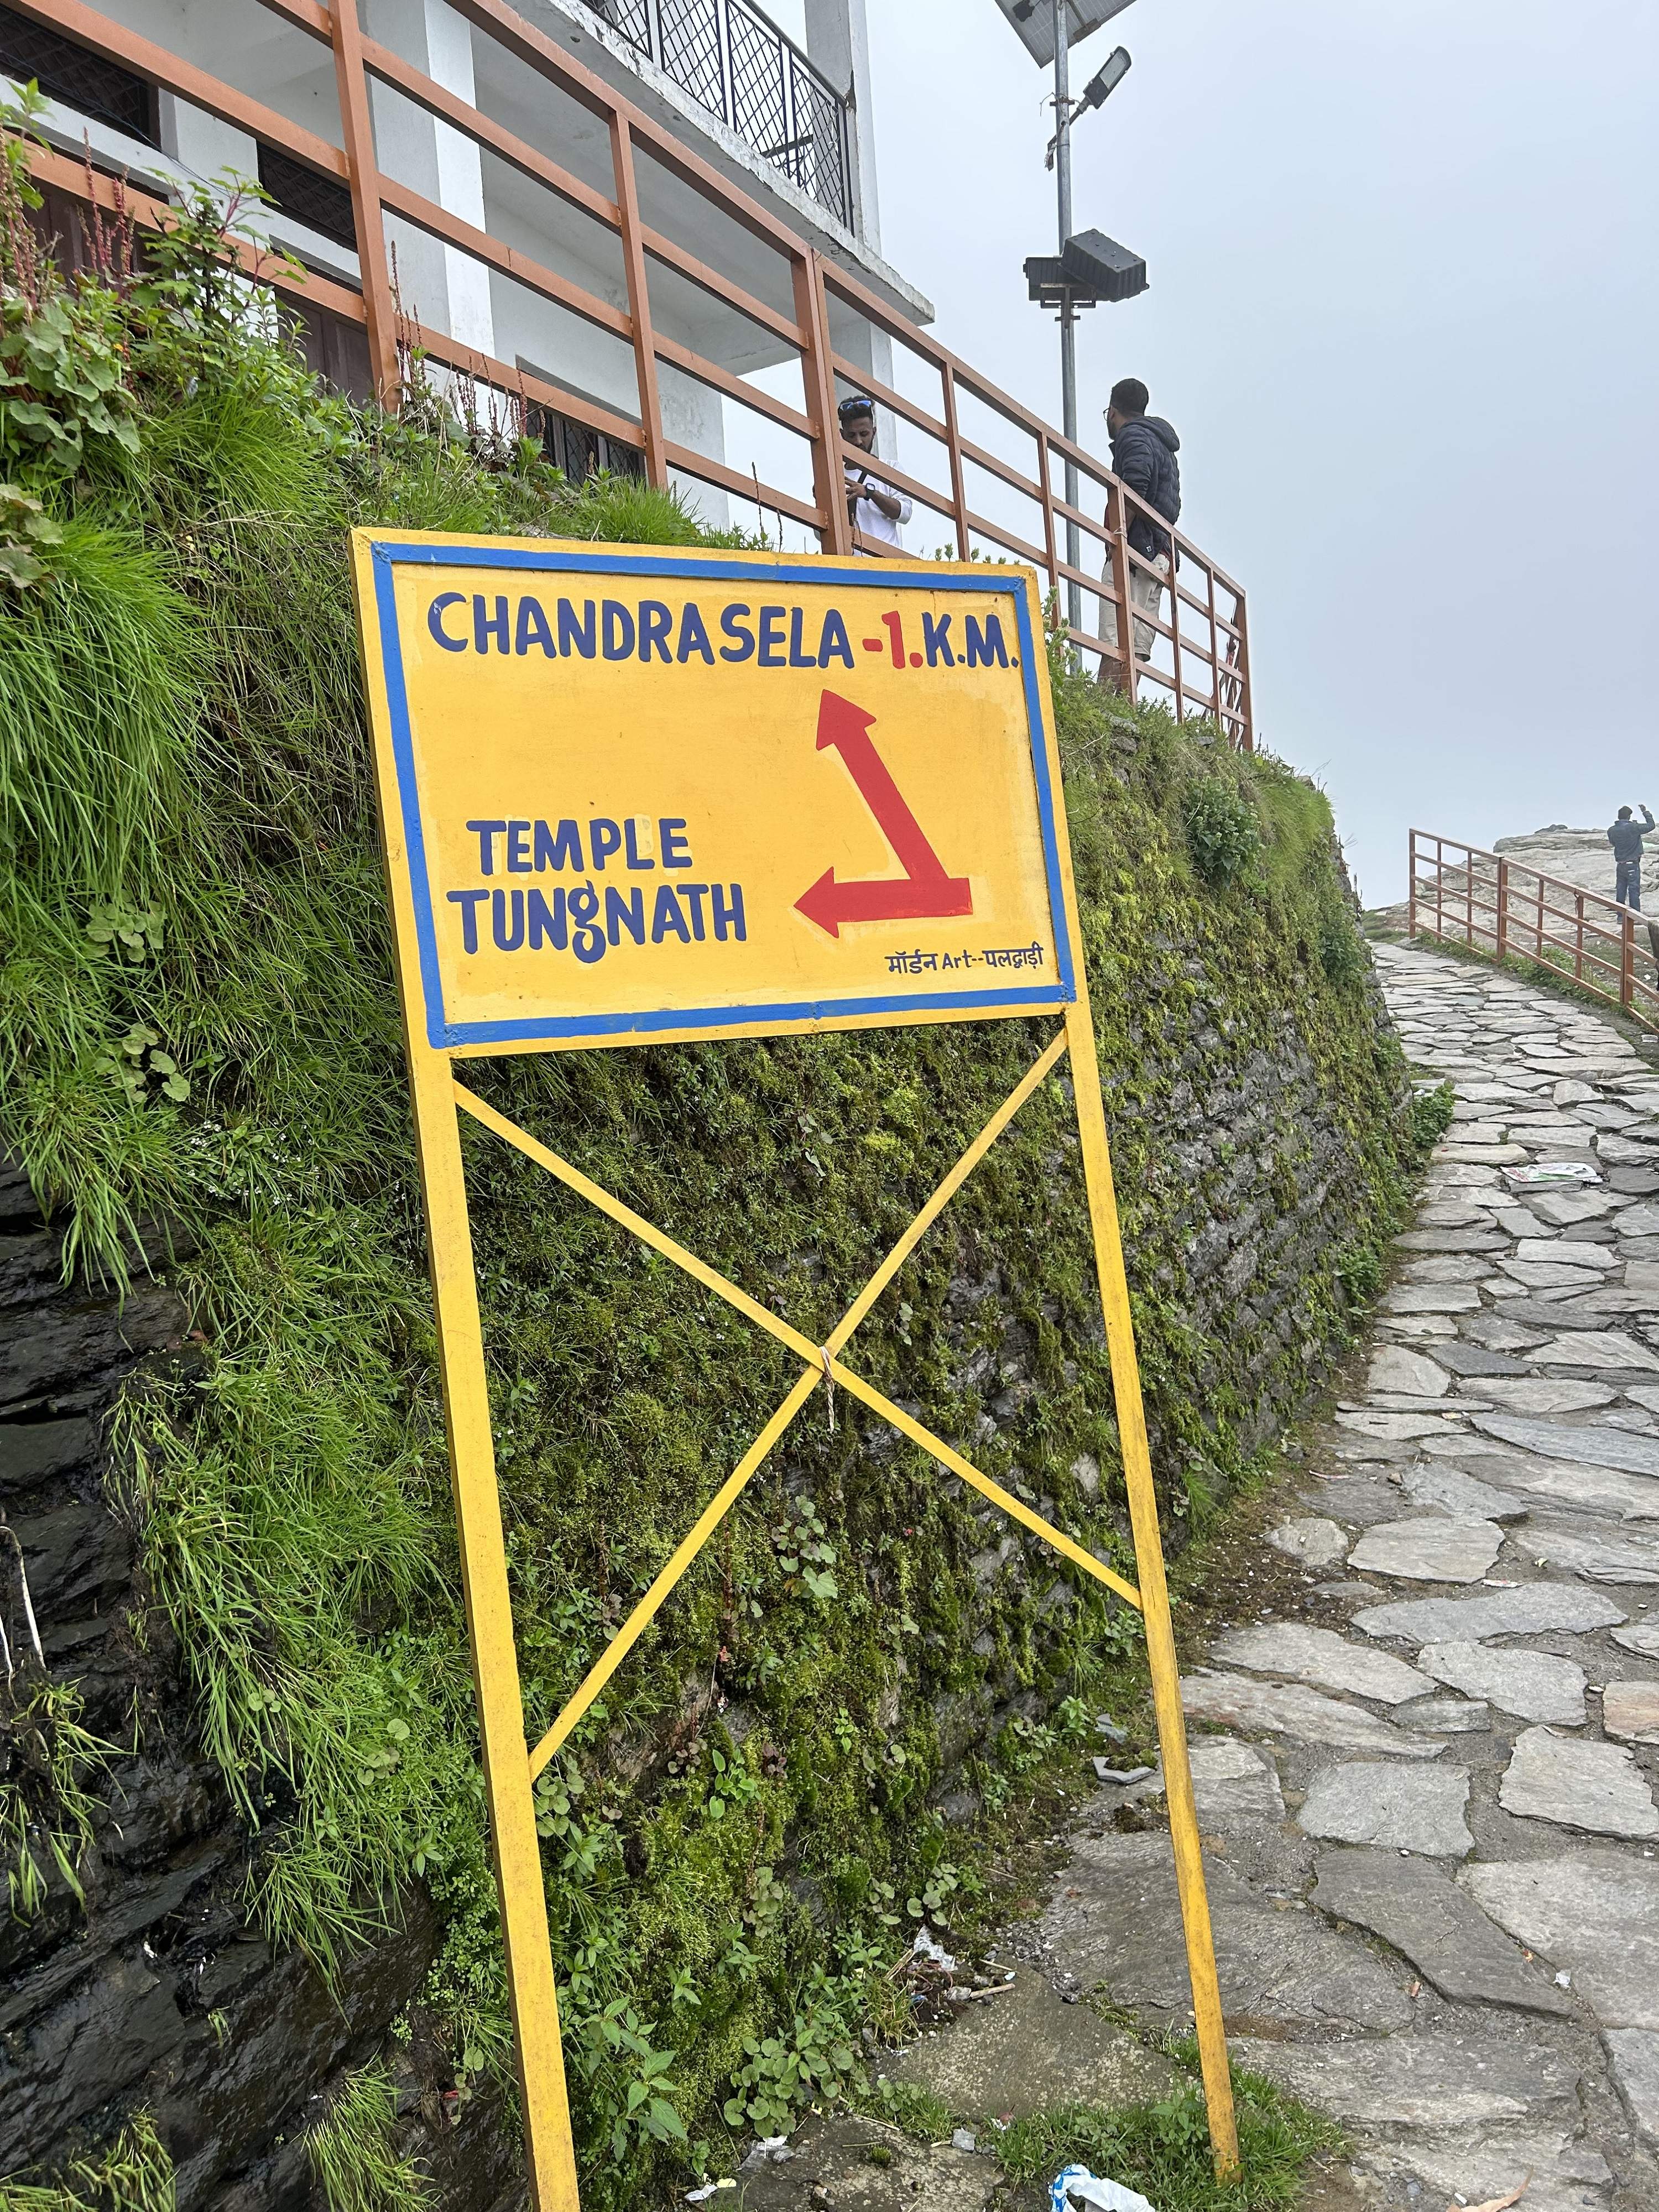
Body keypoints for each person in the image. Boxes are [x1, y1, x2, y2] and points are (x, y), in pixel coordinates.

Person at [1099, 377, 1181, 682]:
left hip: (1137, 551)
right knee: (1137, 644)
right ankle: (1125, 704)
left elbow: (1134, 486)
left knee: (1115, 636)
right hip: (1160, 553)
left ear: (1113, 410)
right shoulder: (1165, 447)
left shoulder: (1132, 436)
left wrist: (1117, 537)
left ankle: (1102, 706)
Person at [838, 394, 911, 550]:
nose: (858, 441)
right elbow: (821, 534)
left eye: (864, 434)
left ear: (874, 432)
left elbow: (905, 513)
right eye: (852, 435)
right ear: (842, 435)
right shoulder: (835, 473)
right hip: (851, 563)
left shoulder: (890, 468)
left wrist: (869, 493)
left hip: (885, 562)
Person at [1608, 804, 1655, 910]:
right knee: (1634, 891)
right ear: (1629, 817)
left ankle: (1620, 916)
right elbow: (1651, 826)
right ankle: (1635, 916)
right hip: (1632, 865)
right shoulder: (1633, 827)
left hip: (1620, 865)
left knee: (1621, 891)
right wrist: (1645, 812)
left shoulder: (1611, 830)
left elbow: (1613, 843)